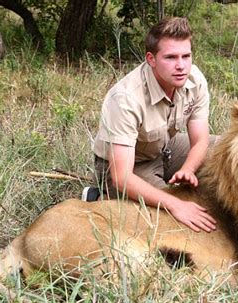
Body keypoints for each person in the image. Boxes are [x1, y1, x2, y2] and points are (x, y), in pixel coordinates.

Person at [82, 17, 217, 233]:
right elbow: (122, 176)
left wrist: (188, 169)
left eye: (186, 56)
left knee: (223, 148)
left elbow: (200, 140)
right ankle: (102, 197)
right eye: (171, 57)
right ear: (151, 59)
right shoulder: (125, 98)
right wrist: (176, 205)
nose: (181, 65)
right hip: (127, 166)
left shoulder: (195, 79)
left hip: (164, 149)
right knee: (170, 212)